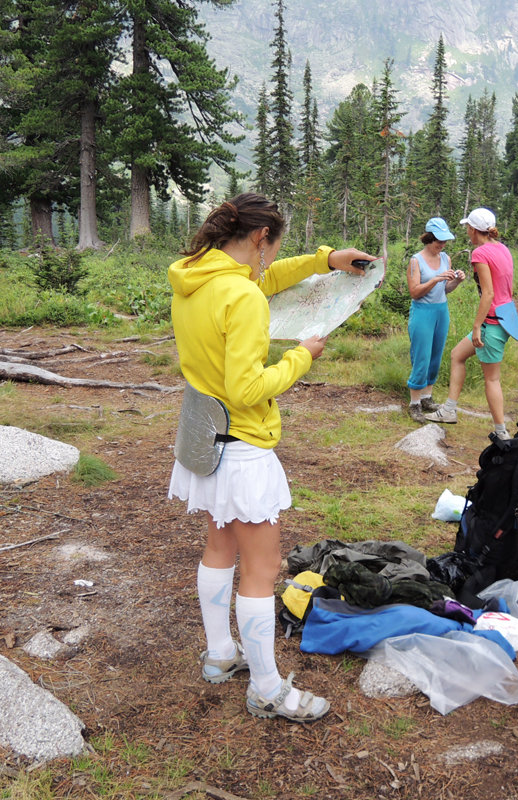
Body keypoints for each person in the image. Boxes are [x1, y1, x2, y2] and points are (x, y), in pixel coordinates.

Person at [167, 192, 373, 723]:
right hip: (243, 448)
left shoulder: (195, 276)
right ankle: (267, 688)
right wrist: (303, 355)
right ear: (261, 238)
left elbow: (262, 280)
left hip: (204, 438)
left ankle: (220, 655)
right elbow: (247, 386)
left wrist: (324, 260)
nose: (268, 261)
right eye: (271, 249)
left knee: (219, 548)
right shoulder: (243, 297)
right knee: (260, 572)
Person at [426, 208, 516, 439]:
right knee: (457, 355)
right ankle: (448, 409)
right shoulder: (503, 249)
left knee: (492, 379)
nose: (466, 230)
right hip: (505, 318)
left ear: (474, 230)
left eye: (468, 227)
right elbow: (507, 288)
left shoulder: (480, 253)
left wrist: (478, 326)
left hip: (492, 323)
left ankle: (502, 433)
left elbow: (488, 293)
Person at [405, 217, 465, 422]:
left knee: (435, 355)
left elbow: (445, 289)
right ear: (428, 238)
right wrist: (434, 279)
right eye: (439, 240)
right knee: (421, 355)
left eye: (444, 241)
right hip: (423, 312)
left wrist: (455, 281)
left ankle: (427, 398)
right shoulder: (416, 261)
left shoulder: (445, 258)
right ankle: (414, 404)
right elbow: (414, 292)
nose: (442, 244)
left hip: (441, 310)